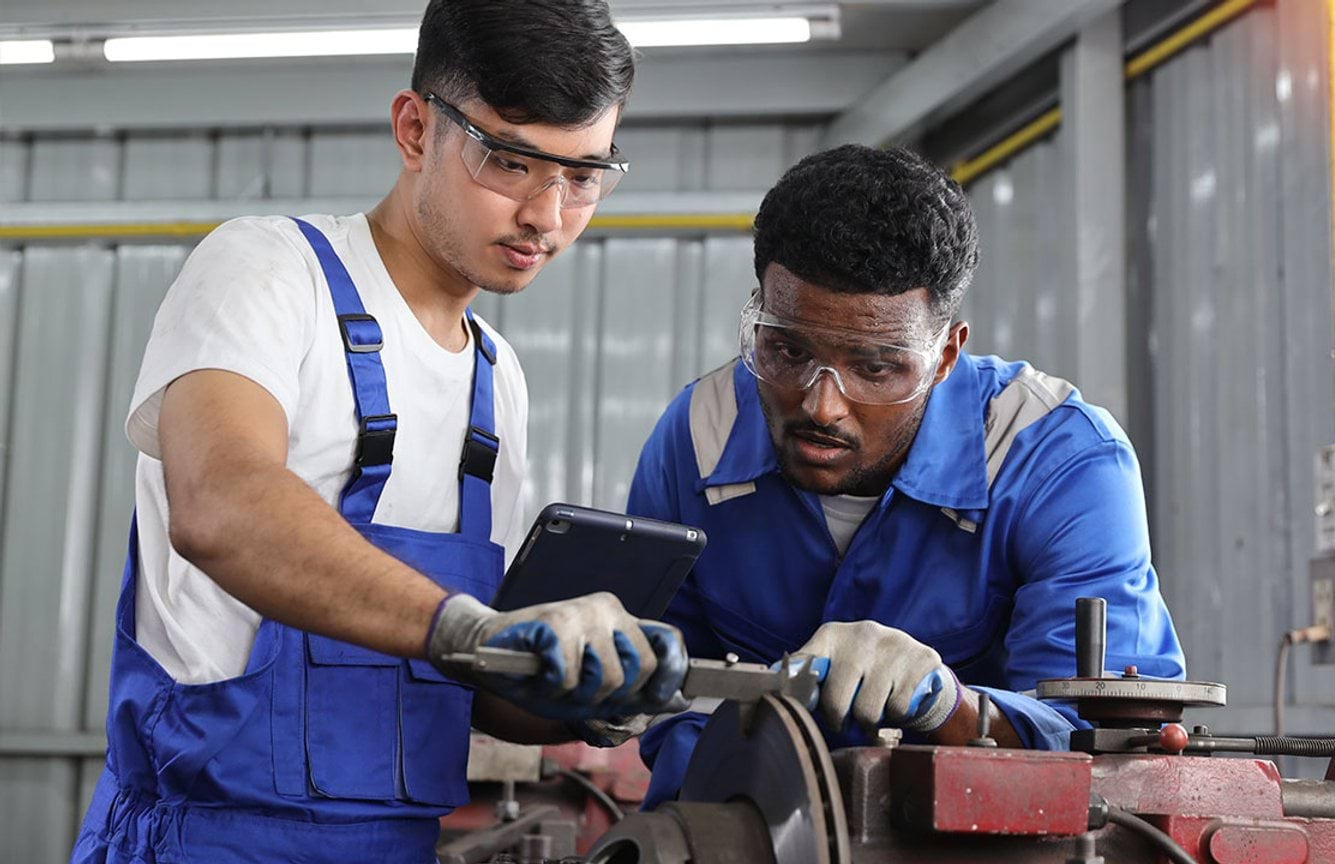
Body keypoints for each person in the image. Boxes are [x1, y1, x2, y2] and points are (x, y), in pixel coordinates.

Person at [70, 2, 684, 862]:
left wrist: (584, 691)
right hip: (205, 839)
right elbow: (220, 504)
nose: (547, 215)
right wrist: (473, 629)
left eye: (582, 176)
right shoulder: (269, 272)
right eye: (511, 161)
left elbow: (470, 682)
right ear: (415, 129)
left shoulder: (494, 380)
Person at [627, 144, 1185, 807]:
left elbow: (1113, 760)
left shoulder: (1058, 461)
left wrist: (948, 709)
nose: (820, 404)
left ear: (946, 354)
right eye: (787, 350)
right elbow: (658, 699)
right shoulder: (697, 440)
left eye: (875, 367)